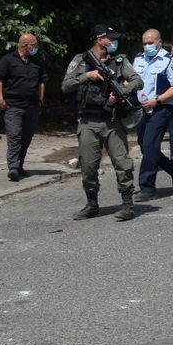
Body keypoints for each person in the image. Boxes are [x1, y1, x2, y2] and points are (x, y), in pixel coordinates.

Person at [61, 25, 143, 220]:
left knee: (123, 163)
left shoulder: (119, 61)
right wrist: (86, 76)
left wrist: (123, 90)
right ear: (99, 40)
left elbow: (138, 81)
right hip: (88, 122)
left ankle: (127, 204)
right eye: (110, 38)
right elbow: (65, 85)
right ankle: (92, 204)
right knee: (88, 167)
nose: (114, 41)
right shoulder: (80, 61)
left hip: (113, 121)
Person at [132, 29, 173, 201]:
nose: (147, 46)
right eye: (145, 43)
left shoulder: (170, 61)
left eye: (150, 42)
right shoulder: (139, 59)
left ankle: (147, 187)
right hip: (141, 108)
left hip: (161, 108)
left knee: (149, 145)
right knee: (144, 144)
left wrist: (158, 100)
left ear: (160, 42)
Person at [0, 32, 45, 181]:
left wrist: (40, 100)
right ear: (24, 45)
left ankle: (19, 165)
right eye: (33, 45)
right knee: (14, 136)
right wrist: (0, 99)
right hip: (13, 106)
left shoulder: (37, 62)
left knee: (26, 137)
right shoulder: (7, 60)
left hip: (32, 106)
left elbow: (41, 81)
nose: (36, 47)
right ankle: (13, 167)